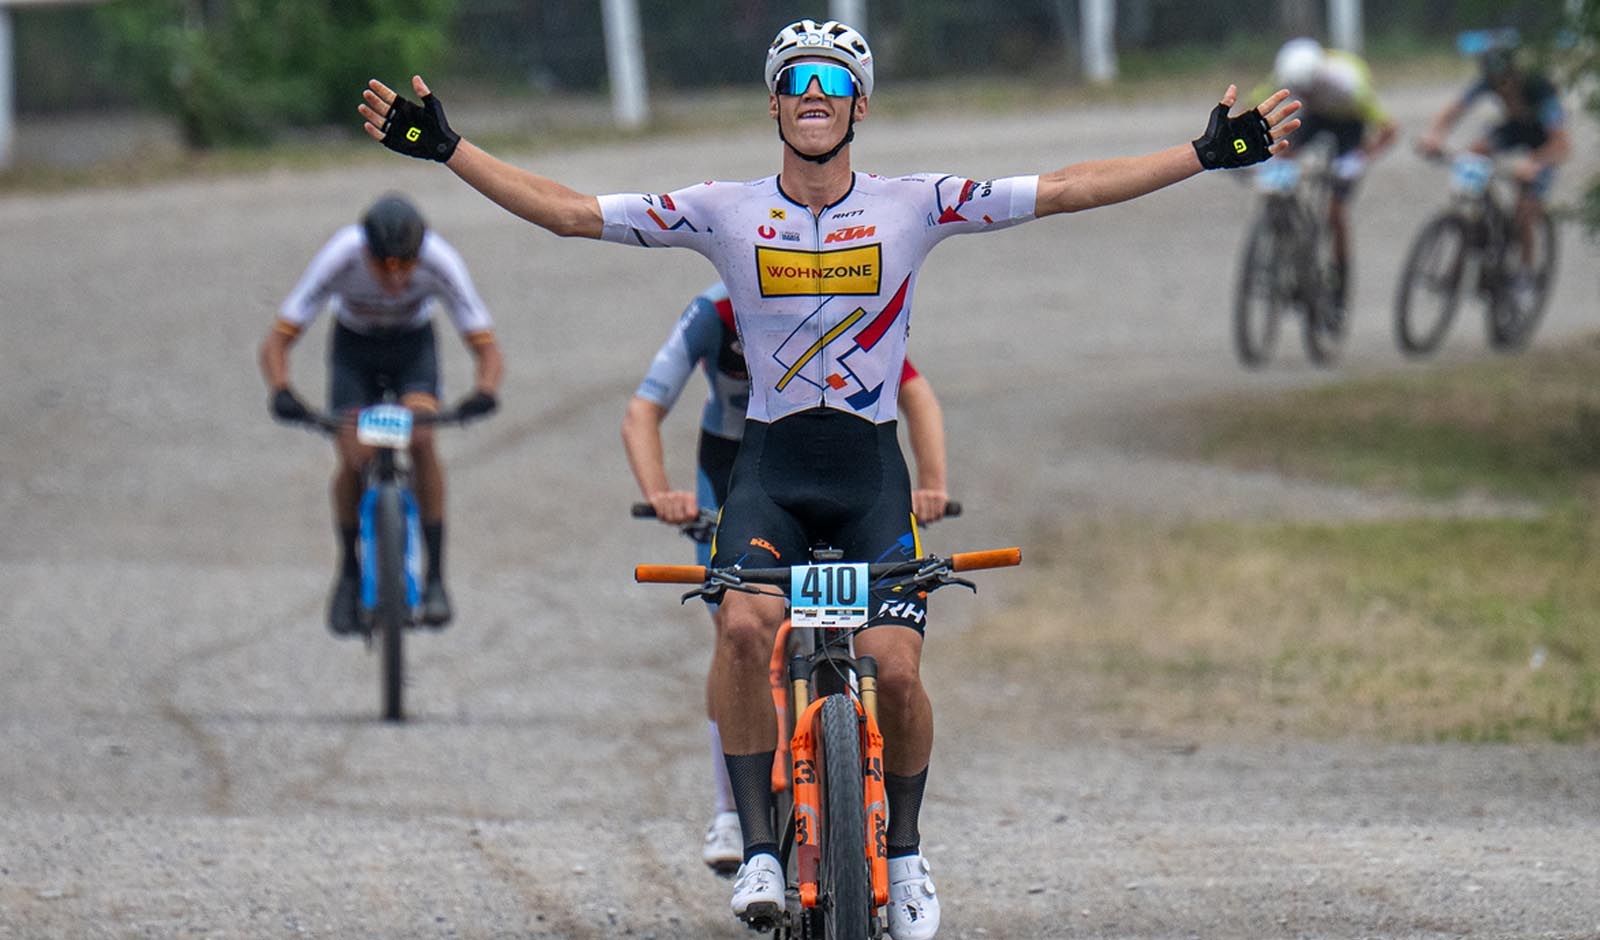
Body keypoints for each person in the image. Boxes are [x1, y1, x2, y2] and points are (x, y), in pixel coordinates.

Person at [359, 18, 1298, 936]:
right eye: (797, 81)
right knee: (742, 628)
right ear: (773, 104)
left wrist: (1200, 156)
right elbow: (571, 213)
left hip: (868, 471)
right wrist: (450, 151)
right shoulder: (723, 210)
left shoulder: (917, 204)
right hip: (771, 469)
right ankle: (758, 851)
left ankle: (907, 855)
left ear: (861, 105)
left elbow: (1065, 189)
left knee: (898, 667)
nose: (815, 95)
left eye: (835, 81)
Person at [622, 280, 951, 876]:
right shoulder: (715, 310)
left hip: (836, 475)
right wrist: (660, 493)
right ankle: (730, 808)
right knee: (737, 630)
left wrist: (933, 483)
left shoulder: (826, 298)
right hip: (733, 478)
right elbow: (643, 410)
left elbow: (914, 391)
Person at [260, 193, 503, 636]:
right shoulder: (341, 255)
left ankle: (435, 577)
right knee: (354, 454)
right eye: (384, 265)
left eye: (406, 266)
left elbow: (485, 346)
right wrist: (281, 390)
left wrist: (484, 390)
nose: (396, 278)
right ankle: (349, 573)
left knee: (422, 438)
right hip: (354, 350)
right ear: (365, 252)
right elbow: (277, 341)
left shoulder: (440, 260)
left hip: (412, 348)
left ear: (419, 255)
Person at [1417, 30, 1570, 299]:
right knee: (1476, 151)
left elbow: (1561, 144)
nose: (1502, 90)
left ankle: (1525, 272)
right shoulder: (1488, 80)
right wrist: (1435, 136)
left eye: (1505, 83)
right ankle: (1474, 221)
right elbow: (1454, 110)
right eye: (1497, 85)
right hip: (1515, 129)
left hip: (1544, 141)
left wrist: (1534, 164)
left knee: (1525, 208)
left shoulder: (1539, 87)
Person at [1261, 37, 1397, 312]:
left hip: (1349, 124)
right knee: (1282, 153)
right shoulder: (1287, 75)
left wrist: (1360, 158)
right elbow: (1255, 106)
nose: (1303, 94)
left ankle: (1339, 288)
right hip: (1316, 117)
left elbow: (1388, 130)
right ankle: (1286, 222)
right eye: (1298, 90)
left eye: (1306, 90)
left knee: (1335, 212)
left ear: (1319, 79)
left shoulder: (1349, 87)